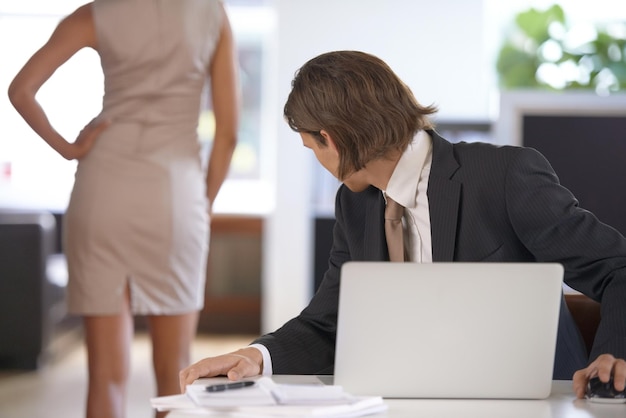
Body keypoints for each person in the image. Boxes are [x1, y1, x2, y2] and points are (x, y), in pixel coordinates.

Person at [178, 50, 626, 399]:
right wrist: (253, 356)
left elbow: (616, 269)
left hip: (536, 401)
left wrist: (612, 356)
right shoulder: (355, 206)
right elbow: (330, 323)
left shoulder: (502, 177)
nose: (318, 160)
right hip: (416, 400)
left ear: (329, 139)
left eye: (310, 146)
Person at [8, 1, 238, 417]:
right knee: (177, 374)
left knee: (105, 378)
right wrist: (202, 204)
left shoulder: (98, 13)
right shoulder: (211, 13)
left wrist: (70, 149)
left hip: (103, 188)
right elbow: (229, 134)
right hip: (175, 191)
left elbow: (20, 90)